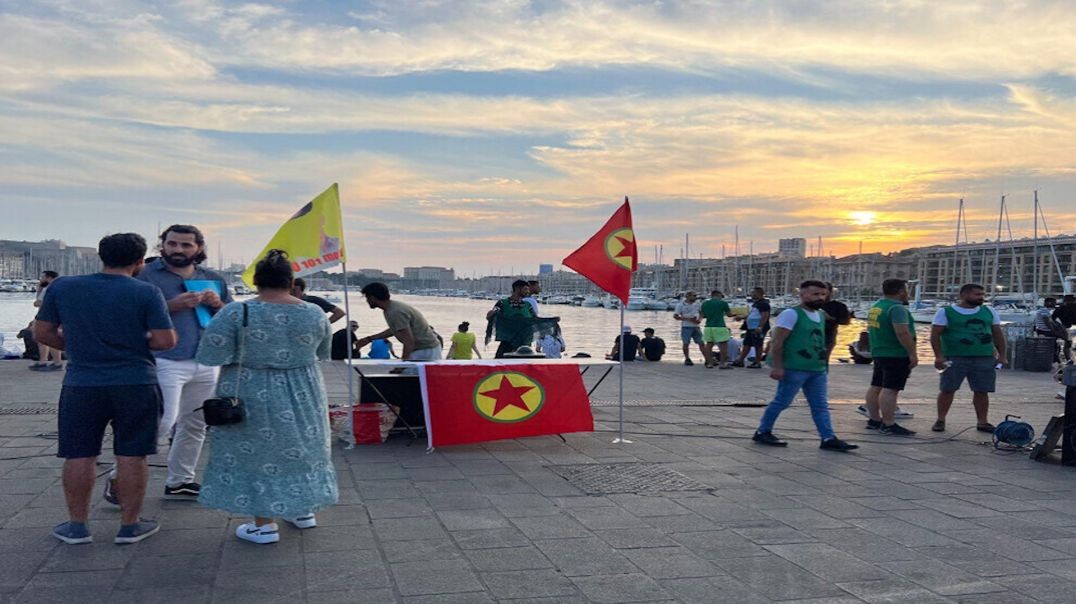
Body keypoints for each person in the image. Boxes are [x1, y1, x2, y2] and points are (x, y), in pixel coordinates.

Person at [35, 233, 176, 545]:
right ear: (140, 262)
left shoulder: (64, 286)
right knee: (132, 454)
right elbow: (166, 340)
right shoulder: (146, 292)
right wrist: (135, 342)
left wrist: (75, 347)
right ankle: (129, 526)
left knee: (79, 454)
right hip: (136, 381)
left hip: (82, 383)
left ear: (102, 256)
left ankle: (76, 526)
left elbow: (42, 331)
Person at [195, 250, 337, 544]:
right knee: (303, 447)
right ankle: (302, 511)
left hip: (251, 390)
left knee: (260, 452)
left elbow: (210, 355)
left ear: (257, 281)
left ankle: (264, 524)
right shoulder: (314, 312)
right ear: (291, 281)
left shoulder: (237, 312)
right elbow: (323, 353)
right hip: (304, 390)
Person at [108, 224, 232, 504]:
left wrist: (217, 306)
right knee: (162, 422)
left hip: (206, 359)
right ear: (161, 245)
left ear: (198, 248)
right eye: (172, 243)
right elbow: (126, 316)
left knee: (196, 423)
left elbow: (230, 317)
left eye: (186, 245)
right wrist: (171, 305)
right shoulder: (144, 275)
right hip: (164, 360)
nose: (178, 249)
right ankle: (118, 478)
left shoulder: (213, 278)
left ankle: (180, 481)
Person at [752, 280, 857, 452]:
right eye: (815, 294)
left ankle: (828, 437)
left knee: (820, 405)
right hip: (794, 367)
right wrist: (777, 366)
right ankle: (763, 431)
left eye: (823, 294)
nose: (820, 298)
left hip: (816, 368)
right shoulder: (791, 314)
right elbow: (777, 342)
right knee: (782, 402)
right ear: (802, 294)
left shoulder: (821, 315)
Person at [930, 283, 1006, 433]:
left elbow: (998, 334)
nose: (981, 298)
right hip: (954, 357)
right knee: (947, 389)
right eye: (977, 295)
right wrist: (938, 356)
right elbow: (935, 335)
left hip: (984, 357)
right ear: (964, 295)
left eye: (982, 295)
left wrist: (1002, 355)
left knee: (982, 390)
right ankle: (940, 419)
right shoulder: (945, 312)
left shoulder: (989, 311)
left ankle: (982, 422)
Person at [862, 279, 917, 436]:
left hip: (879, 351)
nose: (908, 293)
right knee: (891, 389)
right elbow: (902, 332)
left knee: (876, 386)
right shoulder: (897, 308)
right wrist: (912, 353)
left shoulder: (877, 307)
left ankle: (874, 420)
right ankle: (888, 423)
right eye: (906, 289)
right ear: (900, 291)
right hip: (896, 353)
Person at [358, 282, 442, 361]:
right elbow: (395, 329)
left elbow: (409, 341)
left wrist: (402, 364)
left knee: (406, 375)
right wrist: (369, 339)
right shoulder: (391, 308)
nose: (367, 301)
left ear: (372, 298)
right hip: (422, 349)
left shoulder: (396, 312)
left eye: (367, 298)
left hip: (425, 351)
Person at [486, 280, 538, 358]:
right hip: (507, 342)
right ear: (517, 289)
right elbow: (490, 316)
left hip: (524, 345)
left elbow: (536, 320)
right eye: (525, 289)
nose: (527, 291)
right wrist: (491, 313)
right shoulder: (502, 303)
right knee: (500, 364)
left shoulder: (528, 305)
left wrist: (552, 320)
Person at [29, 270, 63, 371]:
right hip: (49, 316)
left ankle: (56, 362)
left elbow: (38, 303)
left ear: (48, 278)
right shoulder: (56, 288)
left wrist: (39, 290)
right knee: (43, 339)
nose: (41, 279)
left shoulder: (49, 289)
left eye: (43, 277)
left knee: (47, 339)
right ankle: (44, 360)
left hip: (47, 317)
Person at [734, 287, 771, 368]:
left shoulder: (763, 303)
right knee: (746, 343)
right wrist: (742, 317)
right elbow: (753, 315)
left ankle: (757, 362)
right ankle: (740, 360)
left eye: (753, 293)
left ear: (758, 293)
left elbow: (765, 315)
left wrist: (760, 326)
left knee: (758, 344)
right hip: (750, 327)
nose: (751, 294)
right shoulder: (756, 303)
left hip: (757, 327)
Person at [700, 290, 735, 369]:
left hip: (708, 326)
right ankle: (722, 364)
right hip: (720, 326)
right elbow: (729, 314)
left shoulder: (705, 303)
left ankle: (710, 363)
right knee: (723, 345)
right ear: (718, 295)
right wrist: (737, 314)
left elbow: (703, 315)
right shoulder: (723, 303)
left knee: (709, 345)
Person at [821, 283, 852, 361]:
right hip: (809, 337)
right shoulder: (811, 305)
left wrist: (830, 318)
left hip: (828, 336)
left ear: (830, 292)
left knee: (822, 361)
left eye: (825, 289)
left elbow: (846, 321)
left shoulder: (838, 306)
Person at [673, 291, 704, 366]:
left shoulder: (697, 304)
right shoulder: (680, 305)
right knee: (686, 343)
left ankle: (707, 358)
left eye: (696, 296)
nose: (695, 297)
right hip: (686, 326)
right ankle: (687, 358)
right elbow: (675, 316)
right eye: (694, 296)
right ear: (688, 296)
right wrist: (687, 319)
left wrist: (699, 320)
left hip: (696, 326)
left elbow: (702, 313)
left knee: (701, 343)